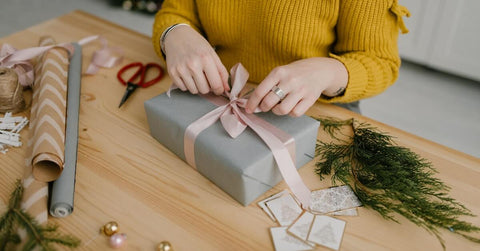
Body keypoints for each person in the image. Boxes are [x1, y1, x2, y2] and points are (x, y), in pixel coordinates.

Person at [152, 0, 409, 116]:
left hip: (313, 106)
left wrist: (328, 72)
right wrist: (174, 33)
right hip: (214, 93)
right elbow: (175, 12)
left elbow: (380, 61)